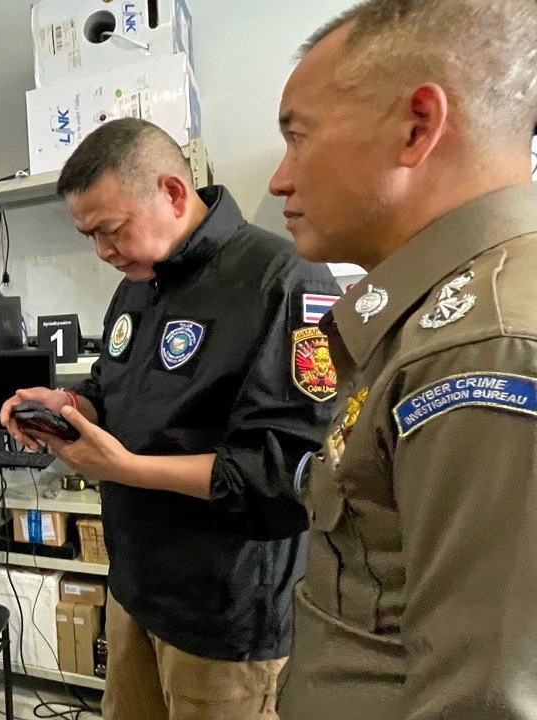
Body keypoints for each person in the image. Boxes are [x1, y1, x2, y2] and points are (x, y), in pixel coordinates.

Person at [0, 118, 339, 720]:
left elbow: (286, 474)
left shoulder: (285, 280)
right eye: (89, 236)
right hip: (136, 587)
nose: (102, 252)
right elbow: (110, 388)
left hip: (224, 614)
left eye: (110, 230)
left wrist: (125, 468)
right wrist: (67, 407)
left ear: (173, 193)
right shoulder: (139, 281)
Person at [268, 1, 537, 718]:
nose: (279, 179)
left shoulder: (480, 349)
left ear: (417, 127)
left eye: (298, 137)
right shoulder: (433, 319)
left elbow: (486, 700)